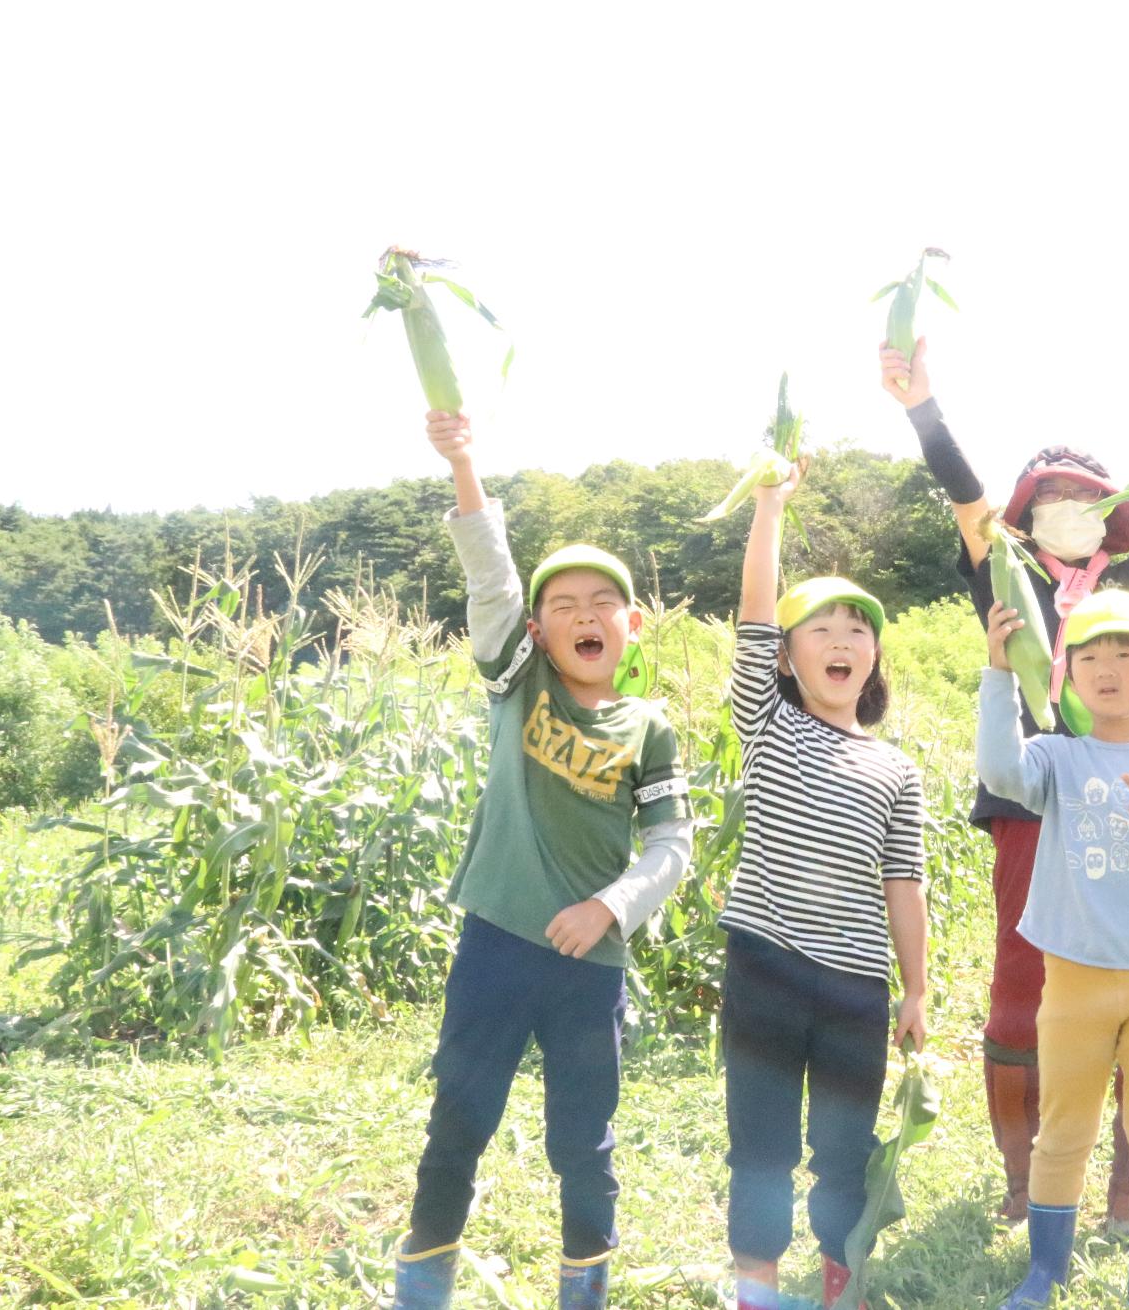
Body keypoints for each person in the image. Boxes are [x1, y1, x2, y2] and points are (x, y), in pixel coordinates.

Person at [879, 333, 1129, 1230]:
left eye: (1081, 497)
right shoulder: (1005, 576)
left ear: (1111, 511)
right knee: (1026, 978)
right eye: (1047, 497)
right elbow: (964, 495)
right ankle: (1025, 1183)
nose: (1063, 506)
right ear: (1027, 514)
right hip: (1032, 799)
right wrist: (920, 404)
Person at [395, 409, 694, 1310]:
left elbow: (672, 843)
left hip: (588, 963)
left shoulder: (649, 727)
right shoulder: (516, 681)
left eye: (602, 603)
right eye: (562, 604)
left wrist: (611, 907)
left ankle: (584, 1291)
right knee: (460, 1116)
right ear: (539, 626)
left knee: (582, 1139)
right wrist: (465, 465)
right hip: (494, 945)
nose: (583, 615)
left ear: (630, 625)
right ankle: (421, 1284)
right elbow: (489, 578)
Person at [979, 589, 1129, 1309]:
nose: (1107, 667)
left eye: (1126, 653)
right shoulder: (1055, 756)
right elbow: (1001, 773)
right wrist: (998, 674)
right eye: (1089, 655)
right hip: (1076, 977)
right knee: (1063, 1130)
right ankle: (1043, 1274)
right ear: (1068, 677)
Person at [721, 459, 929, 1310]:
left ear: (873, 657)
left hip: (854, 987)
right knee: (761, 1145)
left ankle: (840, 1287)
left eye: (858, 631)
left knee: (845, 1148)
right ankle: (759, 1290)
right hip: (764, 967)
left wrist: (917, 989)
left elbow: (905, 884)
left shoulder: (895, 768)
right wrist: (770, 505)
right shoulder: (765, 723)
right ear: (786, 656)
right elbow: (753, 619)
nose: (842, 642)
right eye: (821, 629)